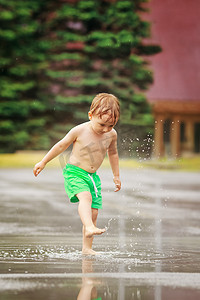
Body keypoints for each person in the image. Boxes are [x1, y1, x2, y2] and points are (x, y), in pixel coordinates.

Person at [33, 93, 121, 255]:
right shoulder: (79, 131)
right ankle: (88, 226)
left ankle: (87, 248)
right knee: (85, 198)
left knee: (94, 211)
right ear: (90, 115)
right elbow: (61, 146)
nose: (106, 129)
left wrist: (116, 175)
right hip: (75, 172)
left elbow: (113, 154)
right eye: (102, 124)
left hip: (93, 177)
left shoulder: (111, 134)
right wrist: (43, 162)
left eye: (111, 125)